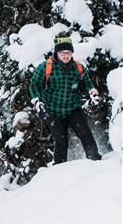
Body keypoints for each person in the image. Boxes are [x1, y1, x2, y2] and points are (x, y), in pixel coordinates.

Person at [30, 32, 101, 165]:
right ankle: (60, 171)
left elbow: (86, 83)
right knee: (61, 142)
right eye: (62, 52)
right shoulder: (45, 67)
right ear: (56, 52)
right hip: (53, 111)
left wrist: (91, 91)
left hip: (73, 108)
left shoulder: (78, 67)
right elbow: (34, 85)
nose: (66, 55)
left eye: (68, 52)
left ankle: (96, 162)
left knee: (86, 134)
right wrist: (37, 101)